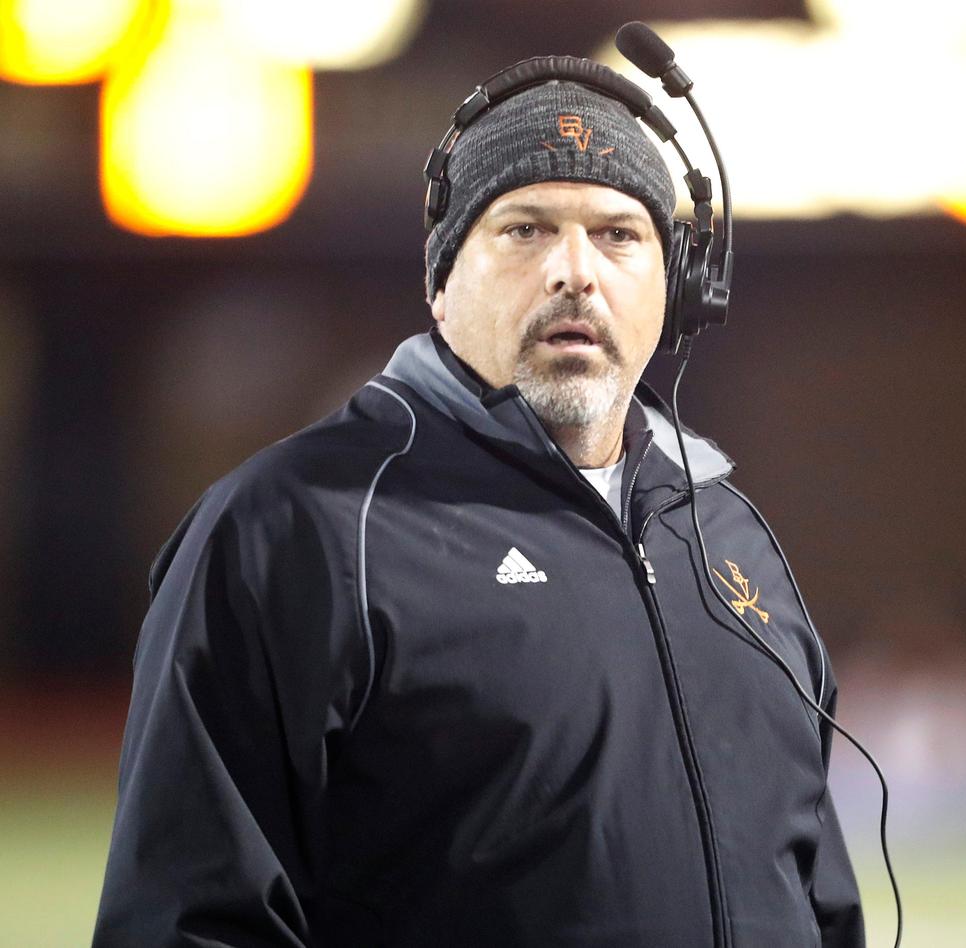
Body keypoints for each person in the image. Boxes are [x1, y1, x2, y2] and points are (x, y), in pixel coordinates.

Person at [94, 64, 865, 948]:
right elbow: (188, 924)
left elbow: (812, 894)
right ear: (442, 278)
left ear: (680, 288)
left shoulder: (729, 540)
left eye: (618, 235)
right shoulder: (297, 528)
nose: (574, 272)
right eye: (526, 229)